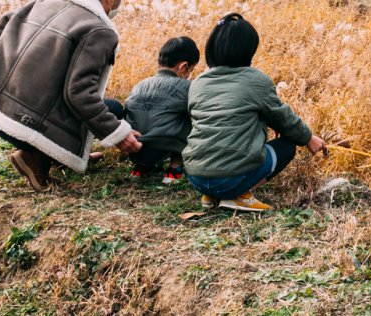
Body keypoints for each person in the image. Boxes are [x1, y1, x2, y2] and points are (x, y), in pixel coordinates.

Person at [0, 0, 142, 191]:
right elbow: (79, 93)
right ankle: (34, 161)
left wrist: (3, 85)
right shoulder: (99, 30)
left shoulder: (37, 5)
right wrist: (118, 134)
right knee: (113, 111)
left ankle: (61, 155)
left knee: (106, 107)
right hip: (29, 128)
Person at [184, 13, 326, 212]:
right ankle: (239, 195)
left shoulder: (198, 82)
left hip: (196, 176)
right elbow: (283, 117)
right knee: (287, 146)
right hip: (231, 180)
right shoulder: (255, 80)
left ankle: (211, 195)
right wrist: (308, 138)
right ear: (247, 50)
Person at [123, 36, 200, 183]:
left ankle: (140, 169)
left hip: (134, 148)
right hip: (162, 146)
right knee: (188, 118)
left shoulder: (140, 84)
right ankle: (174, 170)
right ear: (184, 67)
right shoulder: (187, 87)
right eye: (191, 69)